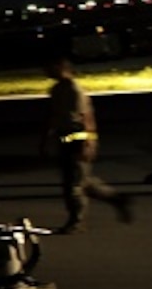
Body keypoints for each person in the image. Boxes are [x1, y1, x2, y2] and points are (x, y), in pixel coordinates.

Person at [41, 55, 133, 233]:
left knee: (74, 185)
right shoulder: (56, 89)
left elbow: (87, 117)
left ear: (61, 67)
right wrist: (46, 139)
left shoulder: (74, 90)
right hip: (64, 140)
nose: (46, 71)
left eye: (49, 67)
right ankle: (116, 199)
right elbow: (52, 117)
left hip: (78, 141)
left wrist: (89, 142)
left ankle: (77, 221)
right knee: (81, 181)